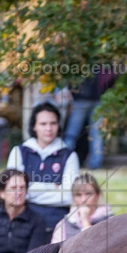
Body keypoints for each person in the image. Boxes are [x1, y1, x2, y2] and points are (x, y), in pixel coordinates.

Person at [7, 101, 79, 236]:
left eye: (53, 123)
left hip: (58, 225)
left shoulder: (69, 155)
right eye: (43, 124)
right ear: (34, 126)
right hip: (23, 223)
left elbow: (70, 196)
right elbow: (13, 193)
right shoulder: (19, 152)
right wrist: (54, 187)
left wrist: (30, 189)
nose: (49, 129)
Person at [0, 169, 48, 253]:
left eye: (22, 188)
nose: (19, 192)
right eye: (13, 188)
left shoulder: (37, 220)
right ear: (2, 193)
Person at [63, 71, 115, 169]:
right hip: (98, 99)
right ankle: (95, 164)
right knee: (96, 135)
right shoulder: (103, 61)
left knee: (71, 134)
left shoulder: (80, 60)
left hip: (81, 99)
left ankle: (63, 160)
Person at [50, 172, 112, 242]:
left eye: (88, 194)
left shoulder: (110, 222)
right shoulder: (63, 225)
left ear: (97, 195)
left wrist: (85, 220)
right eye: (78, 195)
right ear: (73, 197)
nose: (83, 200)